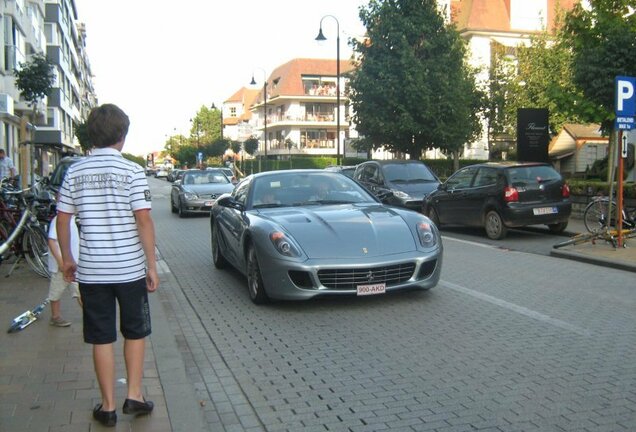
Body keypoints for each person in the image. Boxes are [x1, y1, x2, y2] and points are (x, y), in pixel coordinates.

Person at [56, 104, 158, 427]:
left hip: (92, 272)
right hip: (129, 271)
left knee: (101, 337)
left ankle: (108, 406)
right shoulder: (132, 171)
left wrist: (67, 260)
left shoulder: (75, 171)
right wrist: (151, 266)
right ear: (122, 136)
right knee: (135, 331)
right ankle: (135, 396)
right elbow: (143, 220)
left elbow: (62, 219)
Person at [47, 211, 82, 327]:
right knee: (56, 292)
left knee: (80, 291)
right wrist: (60, 262)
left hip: (74, 265)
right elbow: (51, 241)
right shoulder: (59, 220)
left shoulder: (73, 219)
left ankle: (90, 315)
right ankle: (55, 316)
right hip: (61, 267)